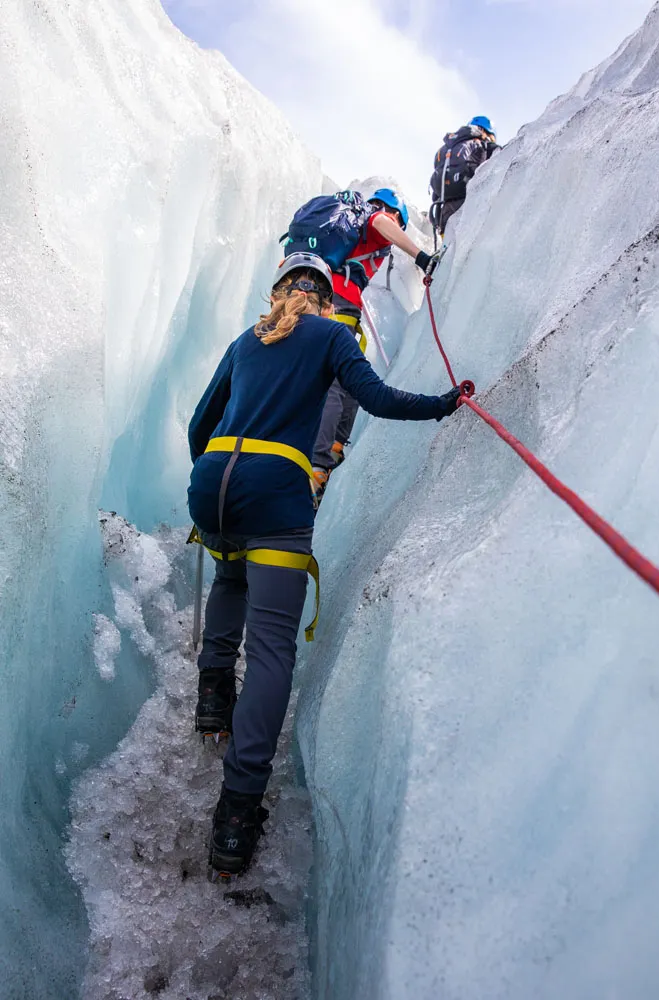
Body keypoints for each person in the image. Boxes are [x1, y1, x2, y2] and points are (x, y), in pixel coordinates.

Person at [187, 252, 461, 877]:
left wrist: (214, 482)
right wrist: (443, 404)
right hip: (275, 488)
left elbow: (201, 422)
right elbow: (378, 398)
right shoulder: (333, 335)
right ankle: (236, 814)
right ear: (325, 297)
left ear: (279, 293)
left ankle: (211, 695)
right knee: (275, 647)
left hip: (213, 484)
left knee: (231, 570)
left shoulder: (246, 339)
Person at [311, 187, 437, 499]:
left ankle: (333, 449)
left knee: (351, 378)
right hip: (337, 304)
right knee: (338, 382)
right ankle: (317, 467)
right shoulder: (375, 217)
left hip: (325, 298)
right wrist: (422, 257)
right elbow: (383, 223)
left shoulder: (348, 234)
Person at [429, 116, 499, 240]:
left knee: (449, 249)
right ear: (488, 131)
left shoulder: (446, 148)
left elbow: (436, 190)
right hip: (468, 204)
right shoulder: (483, 143)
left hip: (444, 211)